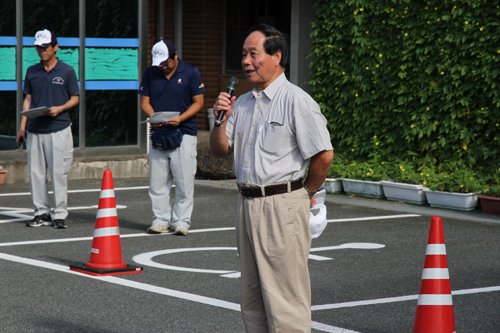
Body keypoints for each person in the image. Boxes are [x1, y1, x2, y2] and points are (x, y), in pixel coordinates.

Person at [210, 24, 334, 332]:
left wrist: (306, 193)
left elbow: (323, 154)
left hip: (283, 203)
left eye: (254, 54)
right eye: (243, 55)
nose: (246, 62)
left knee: (285, 302)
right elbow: (220, 150)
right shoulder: (244, 102)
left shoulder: (297, 101)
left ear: (276, 56)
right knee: (252, 299)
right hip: (246, 204)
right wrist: (219, 121)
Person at [138, 40, 205, 236]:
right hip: (159, 132)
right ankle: (160, 220)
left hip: (184, 132)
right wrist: (154, 118)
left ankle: (182, 221)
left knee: (184, 181)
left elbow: (199, 102)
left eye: (166, 62)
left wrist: (180, 119)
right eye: (160, 63)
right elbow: (144, 102)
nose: (163, 66)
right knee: (158, 181)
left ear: (176, 56)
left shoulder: (191, 72)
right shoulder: (151, 72)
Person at [17, 29, 79, 229]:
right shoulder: (32, 71)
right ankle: (41, 212)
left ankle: (59, 214)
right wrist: (22, 127)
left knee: (59, 172)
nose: (41, 51)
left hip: (59, 128)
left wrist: (60, 108)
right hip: (35, 129)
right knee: (36, 173)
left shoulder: (67, 71)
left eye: (45, 47)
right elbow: (28, 99)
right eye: (38, 47)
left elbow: (75, 98)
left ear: (55, 47)